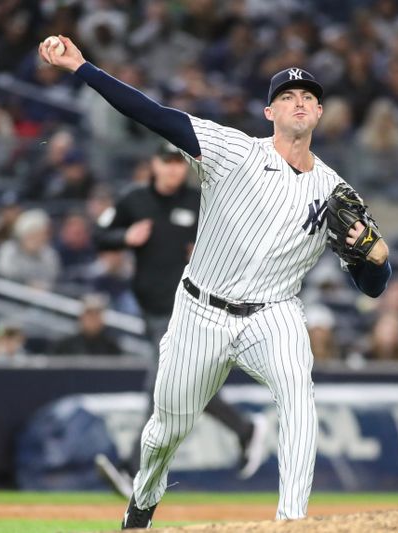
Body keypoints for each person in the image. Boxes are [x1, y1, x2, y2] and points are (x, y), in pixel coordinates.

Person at [38, 37, 391, 526]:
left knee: (298, 396)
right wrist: (82, 68)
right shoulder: (234, 151)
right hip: (200, 311)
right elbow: (153, 114)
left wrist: (376, 258)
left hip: (274, 313)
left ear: (320, 112)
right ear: (270, 112)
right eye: (288, 96)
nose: (299, 101)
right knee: (164, 433)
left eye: (308, 96)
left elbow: (372, 286)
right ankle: (142, 501)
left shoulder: (334, 191)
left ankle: (292, 521)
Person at [92, 142, 269, 497]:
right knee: (185, 389)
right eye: (167, 162)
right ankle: (246, 429)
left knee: (160, 387)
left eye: (178, 163)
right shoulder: (134, 200)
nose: (173, 169)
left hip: (190, 310)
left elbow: (237, 242)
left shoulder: (199, 201)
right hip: (152, 309)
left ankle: (132, 469)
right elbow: (99, 235)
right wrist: (124, 237)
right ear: (154, 165)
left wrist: (208, 250)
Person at [51, 294, 122, 356]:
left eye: (96, 314)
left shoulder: (112, 348)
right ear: (81, 317)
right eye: (89, 314)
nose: (93, 319)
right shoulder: (65, 346)